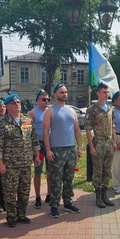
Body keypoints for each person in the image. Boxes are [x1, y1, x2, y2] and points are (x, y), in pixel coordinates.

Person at [0, 94, 40, 227]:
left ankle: (22, 214)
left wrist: (37, 155)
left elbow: (34, 139)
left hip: (26, 162)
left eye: (18, 102)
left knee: (24, 190)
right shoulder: (2, 123)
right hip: (10, 165)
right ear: (7, 106)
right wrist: (0, 163)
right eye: (13, 103)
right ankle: (11, 216)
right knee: (10, 192)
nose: (17, 104)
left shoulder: (27, 120)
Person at [43, 84, 82, 218]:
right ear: (55, 94)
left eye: (65, 92)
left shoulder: (71, 111)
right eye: (61, 92)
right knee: (55, 179)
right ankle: (54, 205)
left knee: (69, 178)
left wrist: (80, 147)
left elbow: (77, 130)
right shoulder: (50, 111)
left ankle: (68, 203)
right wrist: (48, 150)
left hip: (71, 149)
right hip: (57, 150)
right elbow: (45, 132)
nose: (64, 94)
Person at [85, 82, 117, 208]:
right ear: (98, 93)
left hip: (108, 142)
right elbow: (87, 128)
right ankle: (98, 197)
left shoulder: (110, 108)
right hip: (98, 143)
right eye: (104, 92)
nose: (106, 94)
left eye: (107, 92)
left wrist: (114, 141)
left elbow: (113, 125)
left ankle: (105, 195)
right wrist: (91, 146)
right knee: (98, 171)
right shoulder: (92, 109)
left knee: (107, 170)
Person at [28, 89, 51, 208]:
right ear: (38, 100)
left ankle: (49, 194)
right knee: (38, 171)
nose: (46, 101)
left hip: (50, 145)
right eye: (43, 99)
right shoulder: (33, 113)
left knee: (50, 171)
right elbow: (27, 131)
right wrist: (32, 147)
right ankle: (37, 197)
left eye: (48, 99)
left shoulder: (50, 111)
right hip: (38, 146)